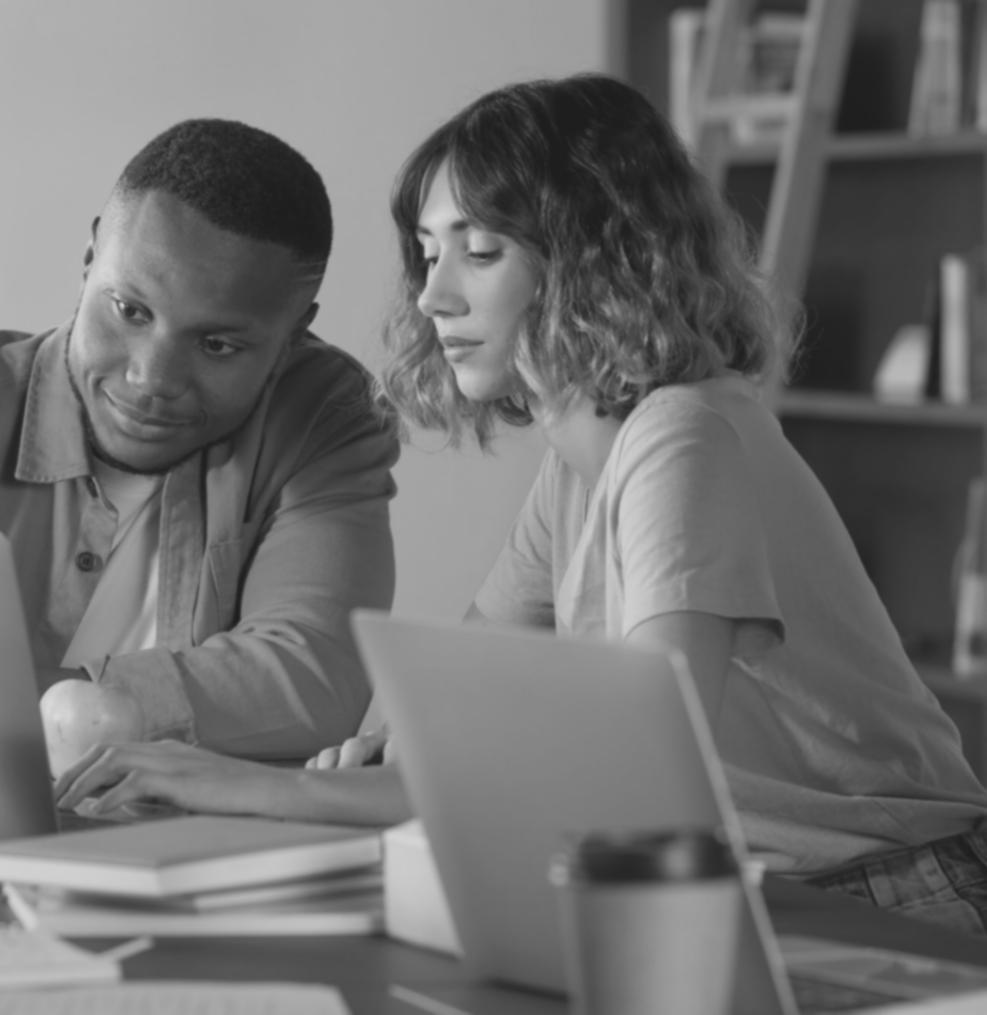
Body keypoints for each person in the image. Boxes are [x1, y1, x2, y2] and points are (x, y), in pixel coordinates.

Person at [54, 74, 987, 935]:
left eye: (480, 250)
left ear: (598, 258)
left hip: (887, 892)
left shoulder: (681, 438)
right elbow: (435, 726)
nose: (431, 295)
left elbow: (634, 781)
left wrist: (259, 790)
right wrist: (360, 763)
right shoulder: (581, 466)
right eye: (426, 254)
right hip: (742, 885)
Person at [0, 118, 400, 760]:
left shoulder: (322, 418)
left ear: (292, 334)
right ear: (90, 259)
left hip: (165, 859)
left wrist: (91, 711)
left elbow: (314, 669)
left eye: (217, 344)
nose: (151, 379)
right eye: (130, 310)